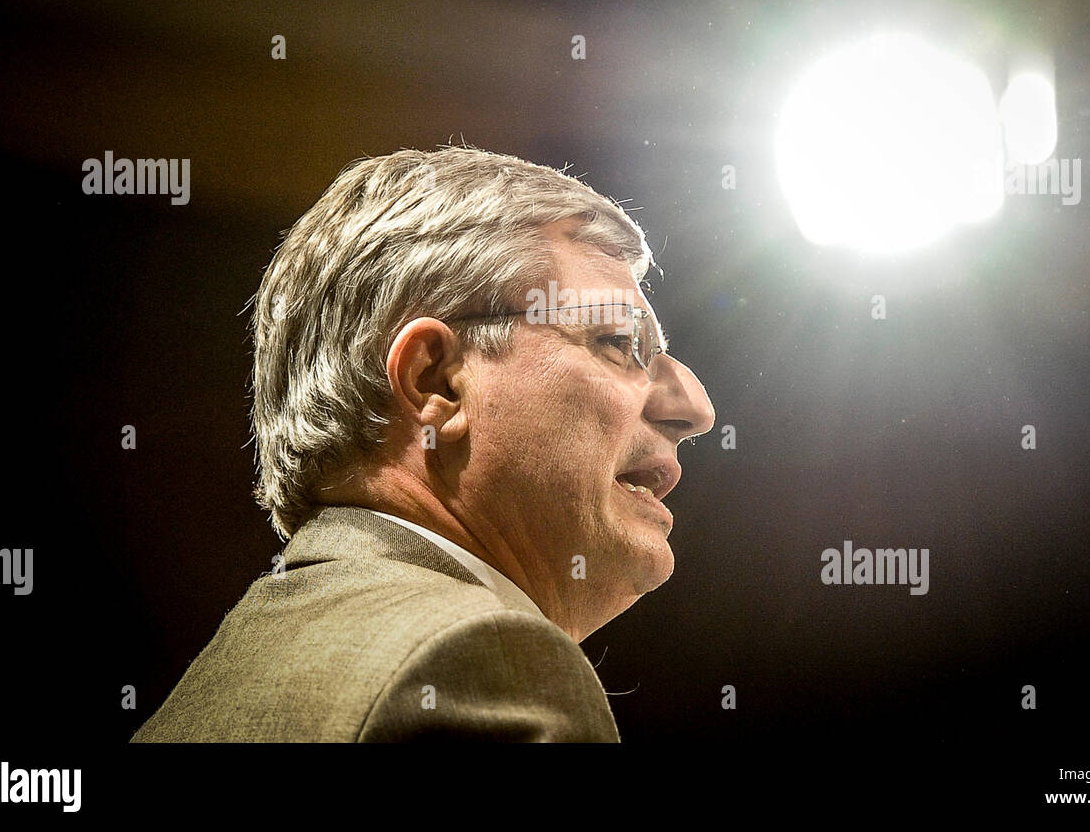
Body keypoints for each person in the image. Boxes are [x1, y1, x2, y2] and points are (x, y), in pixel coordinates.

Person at [131, 145, 714, 742]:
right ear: (436, 382)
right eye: (618, 342)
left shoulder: (213, 688)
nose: (695, 408)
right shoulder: (482, 666)